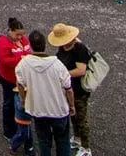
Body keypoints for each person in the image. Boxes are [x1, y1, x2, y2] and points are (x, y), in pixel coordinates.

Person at [14, 29, 74, 156]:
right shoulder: (57, 64)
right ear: (45, 44)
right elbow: (68, 88)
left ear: (30, 45)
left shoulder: (24, 64)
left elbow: (20, 84)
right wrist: (72, 105)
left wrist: (24, 101)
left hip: (39, 110)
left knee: (43, 142)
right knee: (63, 141)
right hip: (59, 111)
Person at [48, 23, 94, 156]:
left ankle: (86, 147)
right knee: (73, 115)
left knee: (81, 118)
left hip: (79, 89)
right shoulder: (63, 48)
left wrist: (63, 74)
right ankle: (77, 139)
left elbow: (81, 70)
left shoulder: (79, 49)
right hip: (69, 88)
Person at [0, 17, 32, 139]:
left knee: (20, 103)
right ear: (10, 31)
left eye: (21, 35)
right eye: (17, 35)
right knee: (9, 103)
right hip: (9, 79)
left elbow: (29, 52)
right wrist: (21, 59)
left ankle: (19, 125)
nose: (20, 37)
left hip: (21, 79)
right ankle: (9, 130)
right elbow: (5, 60)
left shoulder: (24, 40)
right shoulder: (3, 42)